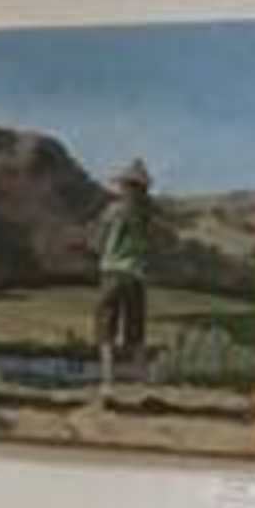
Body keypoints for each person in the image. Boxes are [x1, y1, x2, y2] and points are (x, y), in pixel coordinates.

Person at [94, 156, 160, 400]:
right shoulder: (147, 215)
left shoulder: (113, 211)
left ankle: (108, 385)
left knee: (106, 328)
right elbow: (151, 246)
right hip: (137, 275)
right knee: (136, 330)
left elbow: (100, 241)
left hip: (112, 272)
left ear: (125, 186)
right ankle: (142, 385)